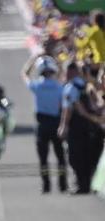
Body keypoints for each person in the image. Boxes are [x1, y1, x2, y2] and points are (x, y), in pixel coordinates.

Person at [22, 55, 67, 193]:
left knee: (43, 158)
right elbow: (62, 73)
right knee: (60, 156)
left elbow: (24, 74)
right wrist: (58, 62)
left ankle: (46, 185)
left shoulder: (37, 85)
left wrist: (32, 59)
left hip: (42, 125)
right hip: (56, 123)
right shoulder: (59, 86)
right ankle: (62, 185)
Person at [58, 61, 104, 194]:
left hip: (77, 126)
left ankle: (82, 185)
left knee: (75, 157)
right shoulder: (89, 85)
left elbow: (67, 110)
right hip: (93, 127)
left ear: (72, 72)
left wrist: (63, 126)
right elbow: (98, 104)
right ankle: (90, 184)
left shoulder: (70, 87)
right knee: (90, 156)